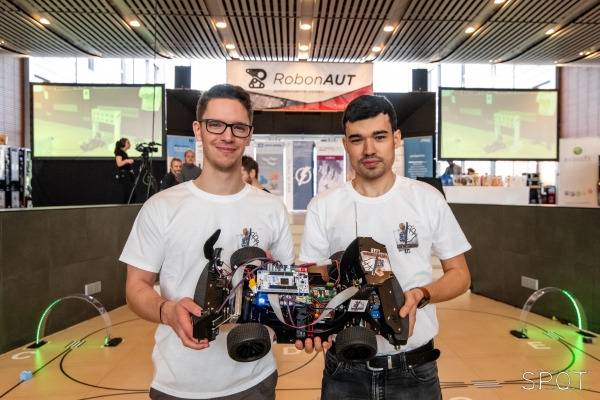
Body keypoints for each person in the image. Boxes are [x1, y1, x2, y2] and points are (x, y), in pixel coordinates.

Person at [120, 84, 295, 400]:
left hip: (254, 380)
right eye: (216, 124)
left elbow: (289, 293)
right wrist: (167, 310)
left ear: (249, 134)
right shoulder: (161, 206)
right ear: (198, 129)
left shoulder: (272, 208)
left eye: (238, 127)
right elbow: (135, 287)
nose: (227, 136)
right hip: (179, 383)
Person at [296, 95, 472, 400]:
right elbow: (313, 280)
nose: (369, 150)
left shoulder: (426, 199)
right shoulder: (323, 206)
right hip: (344, 369)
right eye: (357, 140)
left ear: (396, 138)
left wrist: (421, 295)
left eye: (379, 137)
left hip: (414, 369)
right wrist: (311, 322)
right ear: (345, 144)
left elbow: (460, 274)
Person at [114, 138, 136, 203]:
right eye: (128, 143)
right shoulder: (119, 152)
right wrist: (127, 161)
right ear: (123, 144)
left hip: (128, 175)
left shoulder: (124, 153)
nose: (130, 144)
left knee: (128, 195)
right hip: (124, 175)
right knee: (132, 194)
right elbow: (119, 163)